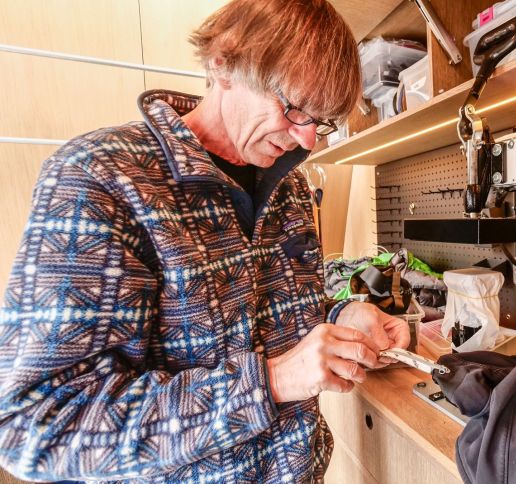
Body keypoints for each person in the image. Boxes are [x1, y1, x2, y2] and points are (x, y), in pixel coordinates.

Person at [0, 0, 409, 481]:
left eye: (319, 123)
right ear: (225, 63)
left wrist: (342, 316)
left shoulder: (290, 189)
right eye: (295, 108)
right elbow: (36, 427)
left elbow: (270, 319)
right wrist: (271, 382)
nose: (307, 141)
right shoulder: (102, 178)